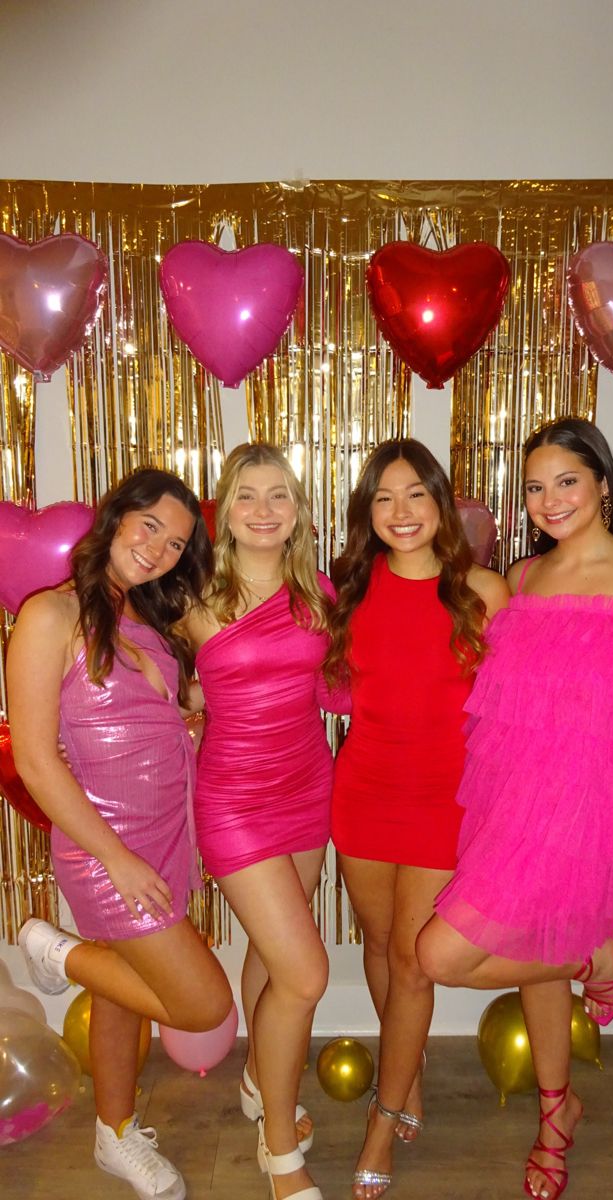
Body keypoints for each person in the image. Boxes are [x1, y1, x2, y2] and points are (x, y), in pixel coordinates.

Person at [416, 417, 613, 1200]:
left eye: (566, 480)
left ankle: (592, 957)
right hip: (508, 795)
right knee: (533, 949)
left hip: (590, 803)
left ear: (602, 484)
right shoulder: (521, 580)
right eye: (534, 487)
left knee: (438, 956)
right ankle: (556, 1114)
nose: (549, 499)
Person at [10, 469, 233, 1200]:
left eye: (175, 544)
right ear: (115, 518)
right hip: (107, 847)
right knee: (202, 1004)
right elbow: (39, 763)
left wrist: (187, 721)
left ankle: (113, 1134)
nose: (159, 551)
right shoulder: (49, 616)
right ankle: (55, 951)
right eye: (149, 528)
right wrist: (116, 859)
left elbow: (143, 718)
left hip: (166, 831)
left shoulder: (142, 621)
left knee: (126, 995)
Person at [325, 438, 509, 1199]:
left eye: (415, 495)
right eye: (383, 499)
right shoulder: (348, 589)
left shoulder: (483, 591)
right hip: (362, 792)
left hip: (445, 798)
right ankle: (411, 1073)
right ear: (367, 514)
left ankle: (384, 1112)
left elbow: (521, 705)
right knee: (377, 942)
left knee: (411, 958)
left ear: (440, 504)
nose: (400, 513)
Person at [177, 443, 349, 1200]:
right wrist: (184, 705)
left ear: (296, 510)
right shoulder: (190, 598)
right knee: (305, 972)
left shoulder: (318, 591)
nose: (264, 510)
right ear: (226, 508)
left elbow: (339, 687)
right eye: (247, 495)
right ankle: (278, 1147)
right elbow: (157, 679)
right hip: (234, 801)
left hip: (308, 786)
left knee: (273, 954)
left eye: (279, 495)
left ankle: (257, 1079)